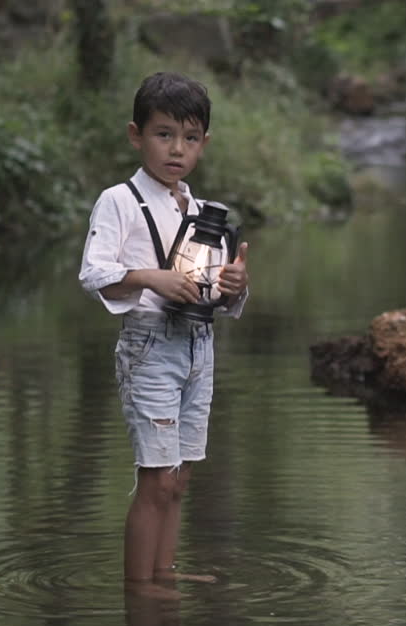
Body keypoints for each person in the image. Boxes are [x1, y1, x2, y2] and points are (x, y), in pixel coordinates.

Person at [79, 72, 250, 598]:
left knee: (180, 477)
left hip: (200, 350)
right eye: (163, 134)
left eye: (190, 138)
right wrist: (152, 277)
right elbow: (93, 272)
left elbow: (215, 296)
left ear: (204, 144)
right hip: (149, 346)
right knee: (155, 478)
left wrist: (235, 286)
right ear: (136, 135)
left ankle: (163, 574)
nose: (177, 149)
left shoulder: (202, 213)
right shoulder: (119, 201)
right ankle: (140, 588)